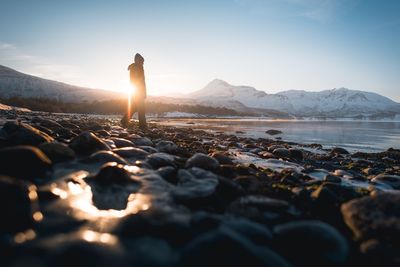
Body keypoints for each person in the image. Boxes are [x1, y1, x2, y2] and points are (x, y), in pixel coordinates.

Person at [121, 53, 147, 129]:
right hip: (138, 92)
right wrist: (142, 93)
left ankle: (124, 120)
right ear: (138, 60)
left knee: (134, 107)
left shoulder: (137, 67)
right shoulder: (137, 67)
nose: (143, 63)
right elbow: (139, 81)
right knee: (141, 109)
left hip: (136, 91)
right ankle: (143, 126)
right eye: (142, 61)